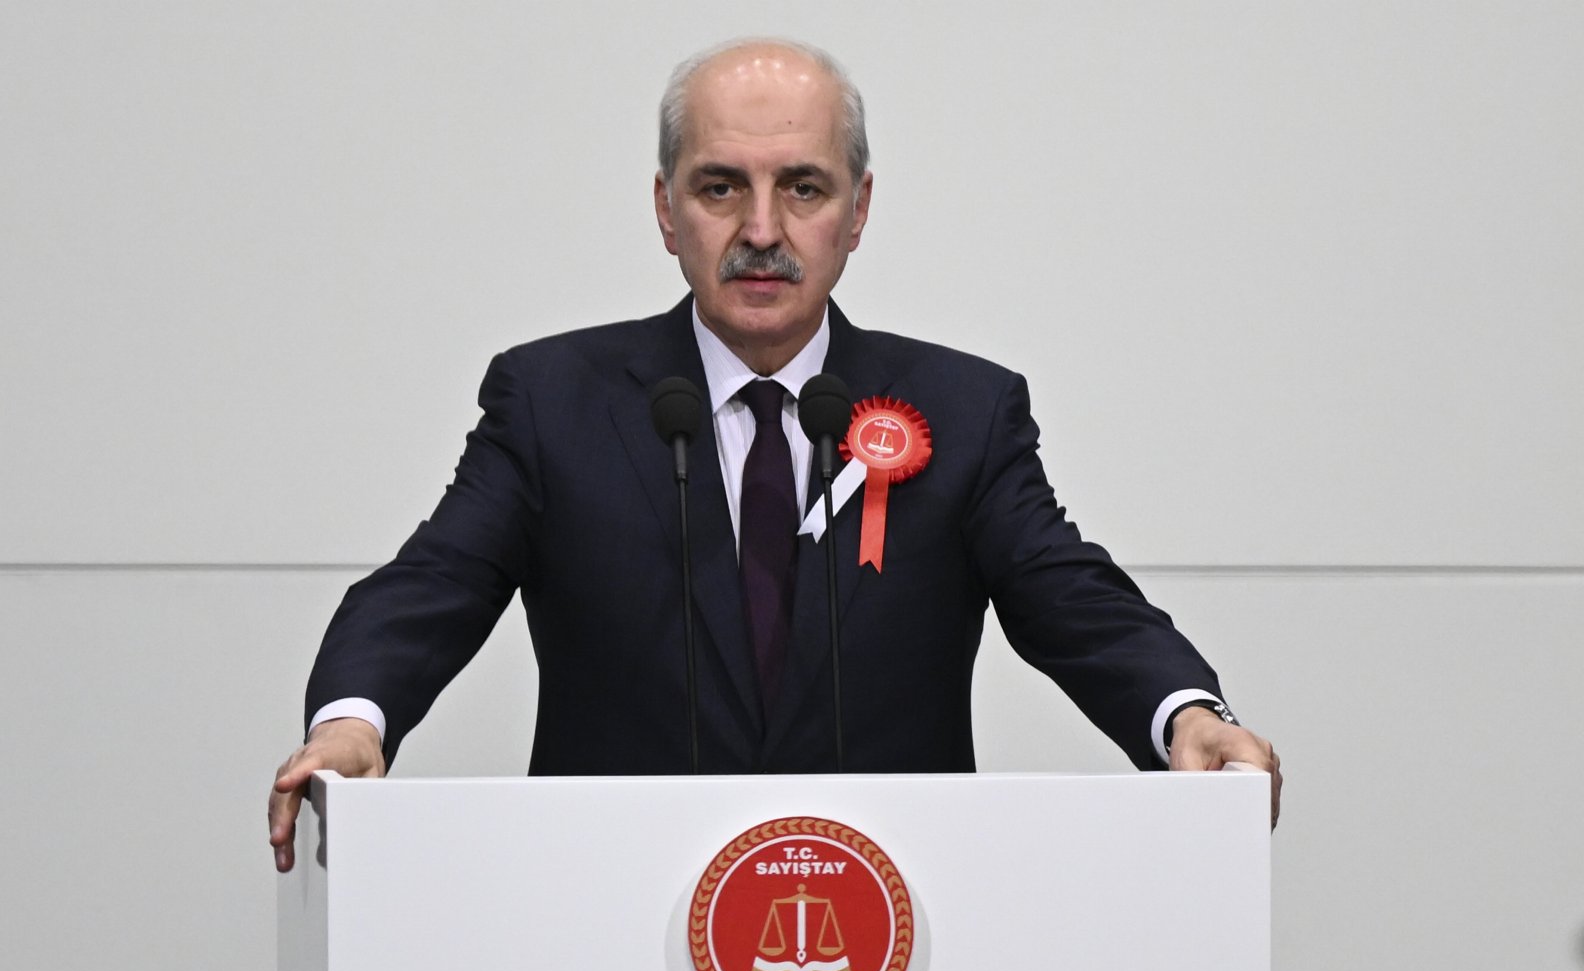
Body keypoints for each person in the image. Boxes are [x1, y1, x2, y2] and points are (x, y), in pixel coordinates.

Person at [269, 38, 1282, 872]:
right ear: (666, 209)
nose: (762, 229)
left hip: (896, 941)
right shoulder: (551, 403)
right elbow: (433, 583)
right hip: (610, 919)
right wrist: (355, 723)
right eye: (720, 187)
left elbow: (1074, 600)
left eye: (802, 187)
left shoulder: (962, 412)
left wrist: (1184, 715)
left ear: (859, 211)